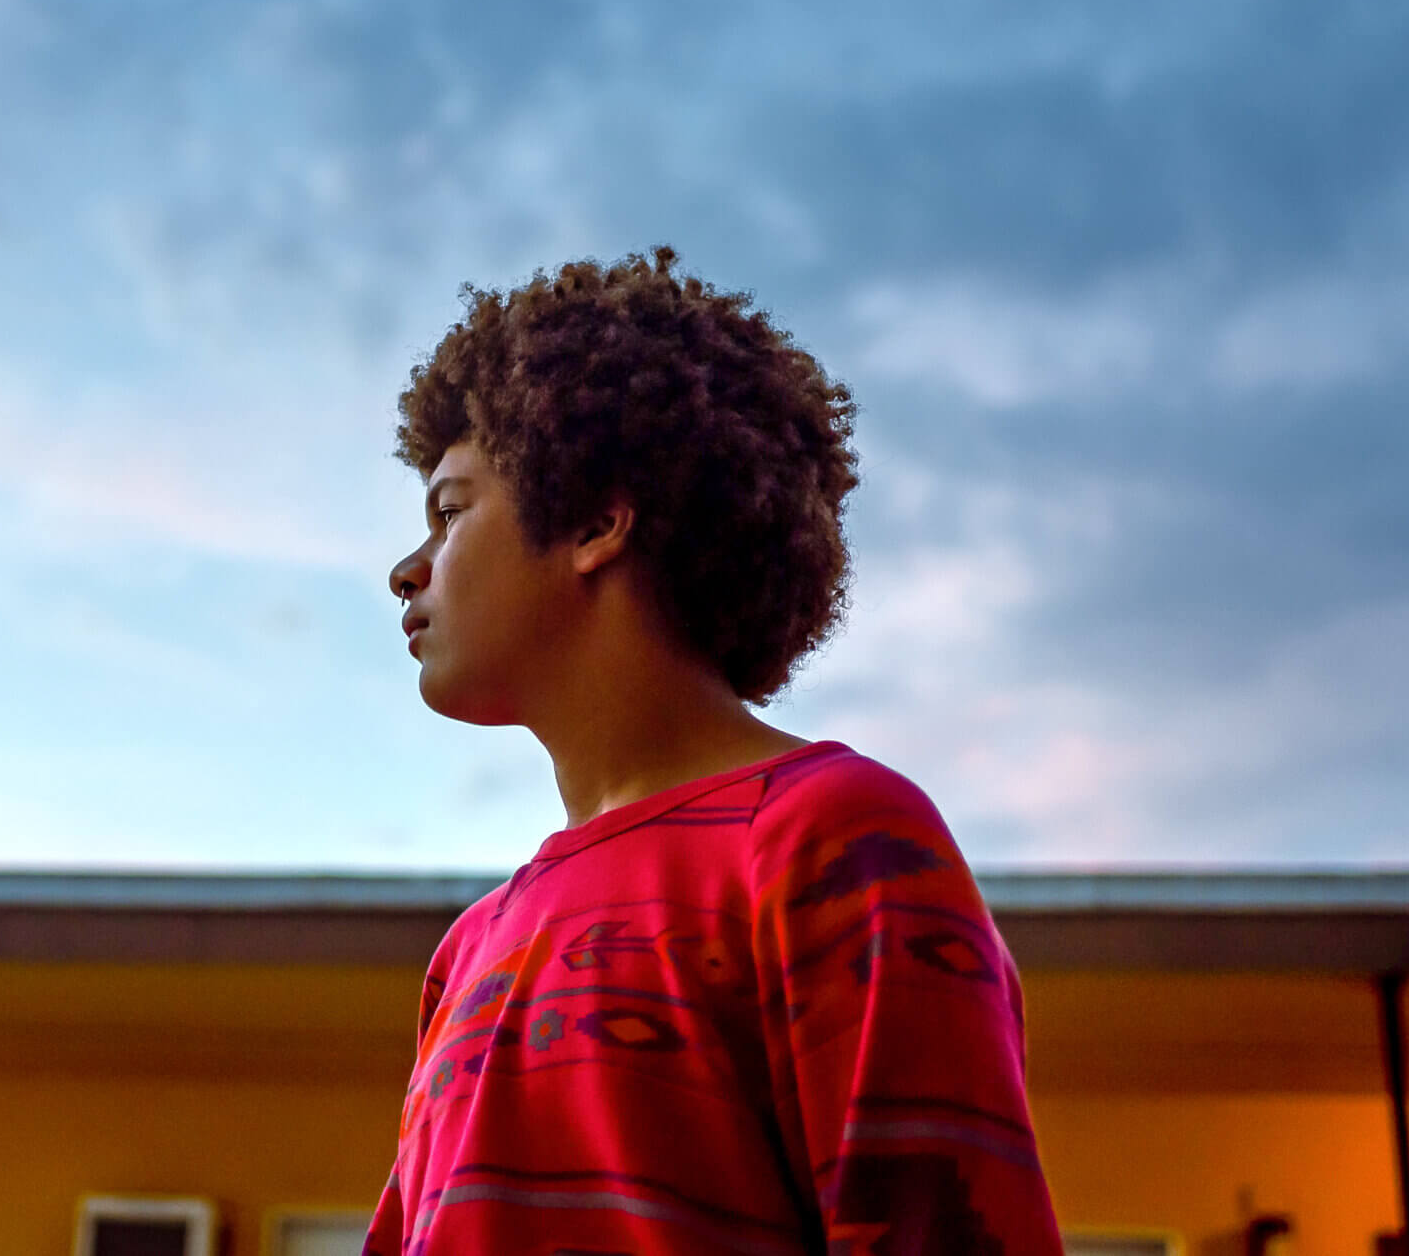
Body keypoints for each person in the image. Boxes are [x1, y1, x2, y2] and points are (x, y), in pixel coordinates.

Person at [370, 248, 1062, 1256]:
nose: (405, 569)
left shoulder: (834, 835)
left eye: (450, 510)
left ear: (597, 522)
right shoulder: (467, 950)